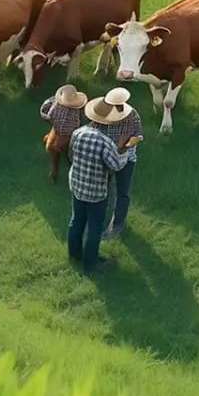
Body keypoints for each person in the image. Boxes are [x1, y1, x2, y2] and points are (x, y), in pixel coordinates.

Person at [66, 95, 132, 273]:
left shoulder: (78, 133)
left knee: (76, 220)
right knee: (95, 226)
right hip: (96, 192)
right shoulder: (105, 142)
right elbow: (116, 165)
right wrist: (123, 149)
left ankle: (74, 254)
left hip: (77, 186)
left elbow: (70, 156)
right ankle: (91, 263)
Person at [96, 87, 143, 239]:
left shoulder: (132, 114)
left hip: (127, 159)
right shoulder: (104, 113)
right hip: (107, 158)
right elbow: (96, 129)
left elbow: (139, 135)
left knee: (123, 192)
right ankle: (102, 220)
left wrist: (127, 145)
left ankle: (117, 225)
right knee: (104, 190)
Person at [39, 84, 88, 183]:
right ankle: (61, 165)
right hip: (65, 132)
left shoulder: (57, 104)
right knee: (55, 147)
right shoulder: (76, 109)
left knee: (54, 148)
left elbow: (49, 116)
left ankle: (55, 171)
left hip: (61, 131)